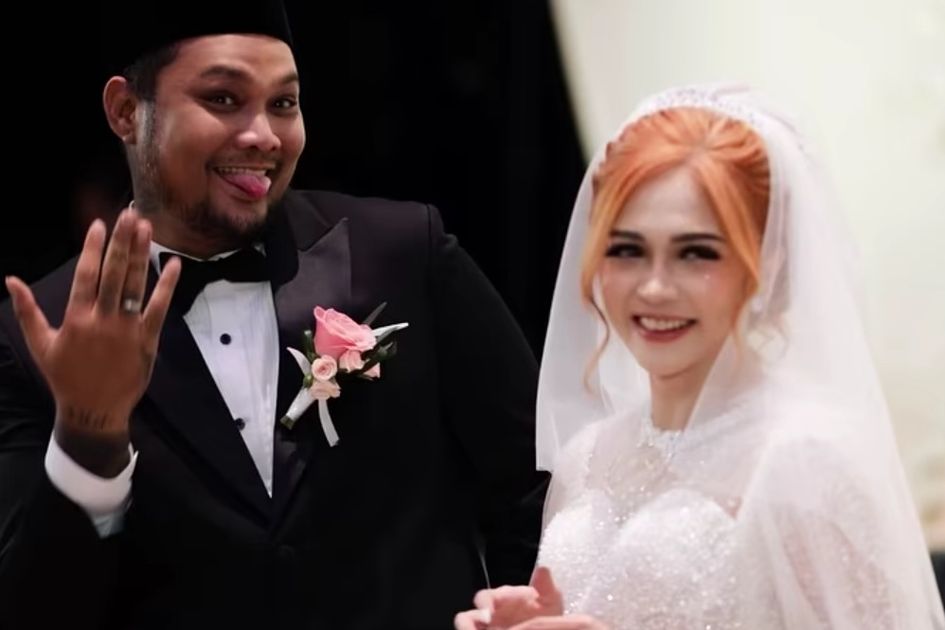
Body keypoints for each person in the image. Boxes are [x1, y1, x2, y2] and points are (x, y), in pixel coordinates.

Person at [0, 1, 549, 628]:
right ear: (127, 111)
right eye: (223, 99)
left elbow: (537, 485)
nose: (263, 134)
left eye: (284, 103)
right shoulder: (36, 335)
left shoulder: (401, 255)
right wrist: (89, 433)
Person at [454, 84, 945, 629]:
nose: (654, 287)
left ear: (770, 262)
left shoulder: (804, 460)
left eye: (696, 254)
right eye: (626, 250)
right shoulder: (588, 457)